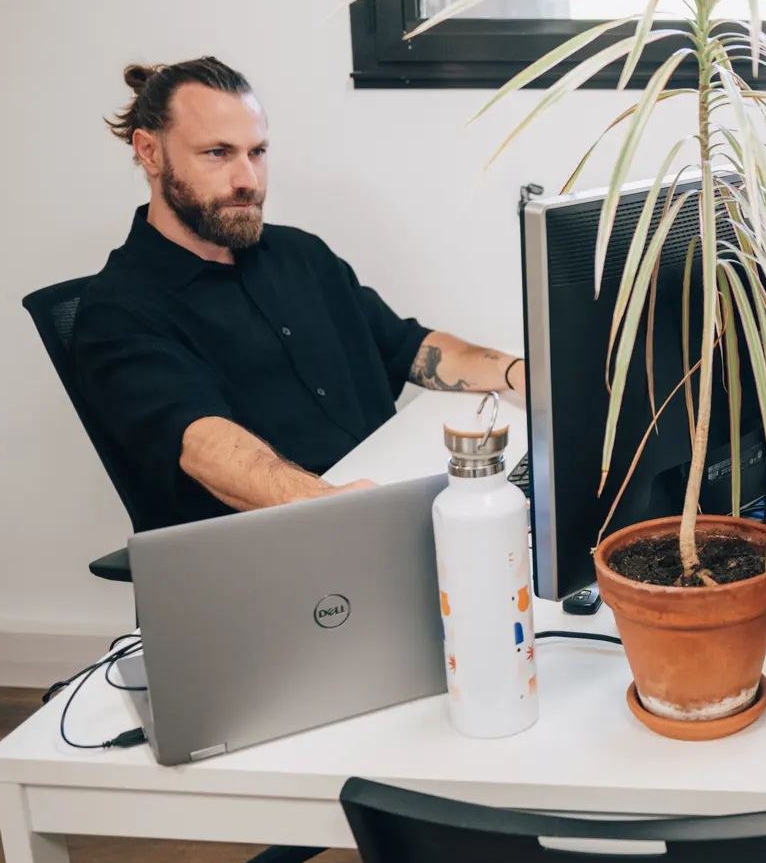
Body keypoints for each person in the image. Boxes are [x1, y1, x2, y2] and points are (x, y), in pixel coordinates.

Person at [72, 56, 525, 532]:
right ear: (150, 152)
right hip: (278, 545)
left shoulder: (298, 255)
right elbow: (205, 445)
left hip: (379, 505)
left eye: (257, 152)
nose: (248, 179)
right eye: (217, 153)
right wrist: (342, 508)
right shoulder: (119, 310)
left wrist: (521, 375)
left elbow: (410, 348)